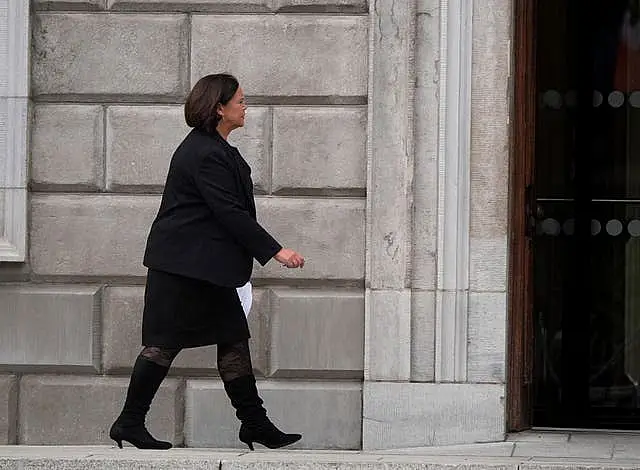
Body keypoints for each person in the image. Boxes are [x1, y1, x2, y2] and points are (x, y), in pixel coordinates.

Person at [109, 73, 305, 451]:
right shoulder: (203, 153)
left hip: (204, 269)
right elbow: (229, 211)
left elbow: (229, 211)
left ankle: (254, 424)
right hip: (182, 268)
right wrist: (274, 250)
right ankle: (129, 422)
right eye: (241, 101)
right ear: (219, 107)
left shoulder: (217, 148)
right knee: (162, 346)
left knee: (233, 341)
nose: (246, 107)